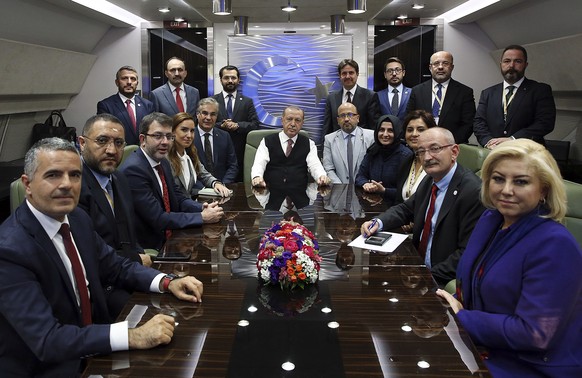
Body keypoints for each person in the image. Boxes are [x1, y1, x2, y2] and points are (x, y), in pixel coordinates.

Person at [0, 138, 205, 376]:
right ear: (27, 184)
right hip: (48, 367)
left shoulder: (76, 219)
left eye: (75, 175)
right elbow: (48, 340)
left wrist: (168, 281)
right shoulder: (10, 249)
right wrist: (132, 336)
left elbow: (116, 266)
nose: (67, 184)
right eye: (53, 175)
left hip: (93, 347)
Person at [436, 139, 582, 377]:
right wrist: (446, 302)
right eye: (498, 178)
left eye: (521, 181)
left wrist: (462, 317)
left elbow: (534, 333)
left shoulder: (555, 244)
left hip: (526, 365)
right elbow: (476, 284)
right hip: (480, 345)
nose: (506, 190)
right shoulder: (490, 220)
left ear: (544, 189)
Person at [361, 127, 484, 286]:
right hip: (416, 267)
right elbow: (405, 209)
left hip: (442, 280)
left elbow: (467, 253)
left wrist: (427, 277)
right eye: (420, 151)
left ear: (454, 151)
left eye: (435, 149)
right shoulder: (430, 180)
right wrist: (378, 222)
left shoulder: (473, 192)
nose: (427, 157)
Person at [78, 114, 154, 318]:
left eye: (118, 143)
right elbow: (87, 257)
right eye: (102, 141)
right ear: (82, 143)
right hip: (99, 288)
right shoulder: (74, 188)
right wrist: (137, 260)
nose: (111, 150)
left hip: (127, 273)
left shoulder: (119, 178)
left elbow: (129, 236)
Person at [120, 112, 223, 250]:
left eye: (169, 137)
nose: (165, 142)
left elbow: (178, 198)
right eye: (158, 136)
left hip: (171, 235)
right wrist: (201, 217)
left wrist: (202, 208)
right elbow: (158, 218)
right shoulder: (134, 170)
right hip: (152, 245)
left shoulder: (162, 162)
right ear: (143, 139)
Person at [473, 45, 556, 149]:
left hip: (527, 152)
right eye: (507, 61)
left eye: (518, 61)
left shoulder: (540, 90)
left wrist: (513, 139)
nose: (511, 65)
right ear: (501, 64)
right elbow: (479, 122)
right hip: (493, 152)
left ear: (526, 65)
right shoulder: (488, 93)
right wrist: (488, 142)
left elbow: (545, 123)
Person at [251, 106, 331, 188]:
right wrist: (257, 177)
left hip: (299, 193)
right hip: (272, 193)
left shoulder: (309, 144)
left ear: (302, 123)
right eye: (289, 119)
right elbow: (259, 164)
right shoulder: (267, 141)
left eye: (297, 120)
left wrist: (321, 176)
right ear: (282, 120)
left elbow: (315, 165)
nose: (293, 124)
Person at [406, 51, 475, 144]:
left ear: (452, 67)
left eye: (445, 63)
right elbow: (409, 119)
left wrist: (449, 142)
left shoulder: (465, 92)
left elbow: (468, 123)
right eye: (436, 63)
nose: (440, 67)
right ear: (430, 68)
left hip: (452, 146)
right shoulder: (417, 91)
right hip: (422, 145)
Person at [213, 65, 260, 182]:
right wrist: (221, 126)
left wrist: (237, 125)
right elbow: (204, 125)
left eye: (233, 78)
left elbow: (255, 125)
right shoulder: (212, 101)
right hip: (218, 154)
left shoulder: (247, 102)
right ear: (220, 80)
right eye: (226, 78)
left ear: (238, 80)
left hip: (240, 153)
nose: (230, 81)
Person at [168, 112, 231, 197]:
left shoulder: (190, 154)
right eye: (184, 130)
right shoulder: (165, 158)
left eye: (192, 131)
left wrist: (216, 183)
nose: (189, 135)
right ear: (173, 132)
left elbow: (204, 174)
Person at [355, 114, 413, 199]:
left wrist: (384, 190)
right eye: (381, 130)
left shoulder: (405, 155)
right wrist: (366, 184)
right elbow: (360, 176)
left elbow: (407, 192)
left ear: (397, 132)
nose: (385, 134)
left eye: (390, 130)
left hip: (395, 205)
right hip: (371, 204)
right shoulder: (373, 150)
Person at [97, 66, 155, 145]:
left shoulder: (148, 105)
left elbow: (152, 131)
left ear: (137, 83)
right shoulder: (106, 106)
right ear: (117, 82)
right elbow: (105, 133)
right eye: (124, 78)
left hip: (143, 152)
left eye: (133, 79)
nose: (129, 82)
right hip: (119, 152)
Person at [323, 59, 380, 135]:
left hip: (362, 144)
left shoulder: (370, 96)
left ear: (357, 74)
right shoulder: (331, 98)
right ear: (339, 76)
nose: (347, 76)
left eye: (351, 73)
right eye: (344, 73)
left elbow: (374, 127)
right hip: (337, 144)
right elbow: (327, 127)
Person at [323, 102, 375, 184]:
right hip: (339, 189)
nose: (346, 119)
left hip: (364, 189)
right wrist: (341, 189)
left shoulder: (371, 137)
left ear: (357, 118)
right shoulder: (329, 139)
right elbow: (328, 169)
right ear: (338, 120)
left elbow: (374, 167)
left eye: (350, 115)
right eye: (342, 116)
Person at [395, 110, 438, 203]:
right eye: (410, 130)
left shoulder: (438, 163)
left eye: (421, 130)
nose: (414, 134)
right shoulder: (405, 161)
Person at [193, 97, 238, 184]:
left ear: (217, 116)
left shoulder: (225, 136)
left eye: (213, 114)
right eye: (205, 113)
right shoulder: (189, 137)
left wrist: (223, 184)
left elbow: (233, 166)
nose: (208, 118)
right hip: (197, 189)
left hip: (223, 188)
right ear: (197, 114)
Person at [377, 57, 411, 122]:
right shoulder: (378, 95)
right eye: (390, 71)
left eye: (398, 70)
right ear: (385, 75)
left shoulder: (412, 93)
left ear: (403, 73)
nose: (394, 74)